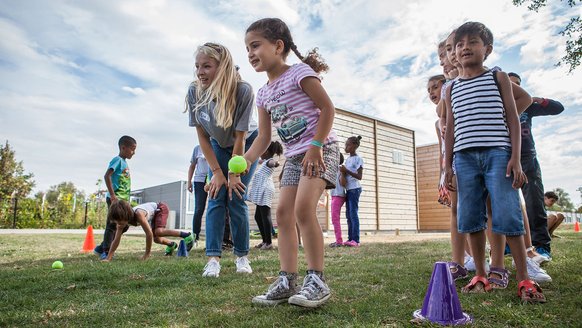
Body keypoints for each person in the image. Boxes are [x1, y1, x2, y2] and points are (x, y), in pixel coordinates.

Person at [444, 22, 545, 302]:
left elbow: (513, 118)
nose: (465, 47)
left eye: (473, 42)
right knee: (470, 217)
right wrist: (446, 167)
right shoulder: (451, 88)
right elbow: (450, 129)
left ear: (487, 49)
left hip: (497, 154)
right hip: (463, 159)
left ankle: (524, 277)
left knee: (507, 213)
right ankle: (480, 273)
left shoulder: (498, 77)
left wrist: (515, 158)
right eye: (459, 44)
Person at [244, 17, 339, 308]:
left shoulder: (299, 72)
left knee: (302, 210)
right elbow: (263, 138)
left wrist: (316, 146)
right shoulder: (263, 93)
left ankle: (317, 280)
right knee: (283, 214)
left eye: (255, 45)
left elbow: (327, 108)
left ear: (278, 45)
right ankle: (287, 280)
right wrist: (245, 161)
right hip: (295, 157)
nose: (250, 53)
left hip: (321, 150)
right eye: (247, 48)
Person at [185, 42, 259, 277]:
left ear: (222, 66)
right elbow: (203, 138)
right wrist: (217, 172)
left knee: (236, 196)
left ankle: (242, 257)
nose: (200, 72)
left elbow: (241, 137)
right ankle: (213, 259)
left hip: (245, 143)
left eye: (206, 66)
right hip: (217, 143)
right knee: (216, 195)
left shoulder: (243, 91)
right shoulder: (194, 91)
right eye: (197, 66)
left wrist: (233, 173)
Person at [508, 72, 565, 261]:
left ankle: (541, 247)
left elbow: (558, 108)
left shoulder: (528, 105)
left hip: (527, 159)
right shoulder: (494, 104)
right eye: (509, 84)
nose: (513, 87)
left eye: (517, 85)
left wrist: (535, 99)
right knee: (505, 204)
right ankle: (509, 244)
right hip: (502, 158)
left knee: (534, 203)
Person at [102, 201, 194, 261]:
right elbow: (116, 240)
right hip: (153, 216)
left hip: (160, 208)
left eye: (119, 220)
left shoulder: (139, 214)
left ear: (126, 215)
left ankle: (187, 235)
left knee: (158, 232)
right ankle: (171, 244)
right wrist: (108, 258)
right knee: (157, 239)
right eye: (116, 221)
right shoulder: (121, 223)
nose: (118, 223)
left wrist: (147, 254)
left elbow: (148, 233)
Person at [94, 135, 137, 260]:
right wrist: (112, 195)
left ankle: (101, 247)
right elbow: (107, 176)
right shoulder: (117, 160)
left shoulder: (124, 163)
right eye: (132, 149)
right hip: (115, 199)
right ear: (123, 148)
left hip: (122, 200)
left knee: (126, 225)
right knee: (112, 225)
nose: (134, 152)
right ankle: (106, 251)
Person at [248, 141, 283, 250]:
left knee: (265, 215)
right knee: (258, 217)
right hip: (262, 190)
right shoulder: (264, 161)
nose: (260, 152)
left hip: (266, 190)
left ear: (267, 152)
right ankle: (264, 241)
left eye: (262, 150)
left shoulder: (269, 161)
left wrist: (275, 163)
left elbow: (273, 163)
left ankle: (268, 243)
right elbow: (256, 160)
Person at [341, 136, 364, 247]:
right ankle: (350, 239)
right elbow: (346, 173)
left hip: (355, 189)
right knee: (348, 215)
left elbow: (359, 176)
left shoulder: (358, 159)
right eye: (346, 145)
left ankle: (356, 240)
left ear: (355, 146)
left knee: (353, 214)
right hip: (349, 189)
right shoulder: (348, 159)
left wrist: (346, 171)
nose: (346, 147)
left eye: (348, 145)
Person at [187, 144, 209, 247]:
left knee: (214, 208)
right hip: (200, 181)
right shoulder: (197, 148)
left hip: (213, 178)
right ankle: (195, 237)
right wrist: (189, 182)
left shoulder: (216, 144)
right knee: (199, 209)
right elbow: (192, 166)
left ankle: (213, 237)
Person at [329, 153, 347, 247]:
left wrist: (342, 173)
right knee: (334, 219)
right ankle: (338, 240)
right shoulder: (333, 169)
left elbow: (343, 183)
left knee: (335, 219)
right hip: (335, 196)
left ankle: (339, 241)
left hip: (338, 195)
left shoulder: (340, 169)